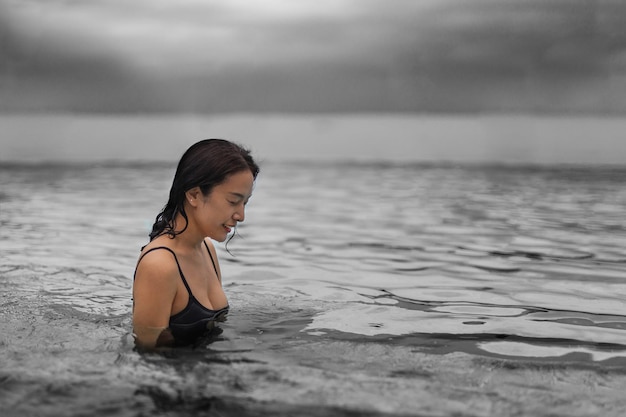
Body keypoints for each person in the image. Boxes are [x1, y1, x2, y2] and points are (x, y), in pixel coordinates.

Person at [132, 139, 259, 349]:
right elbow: (146, 356)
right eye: (233, 201)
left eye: (245, 203)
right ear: (194, 195)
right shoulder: (160, 265)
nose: (241, 215)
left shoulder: (206, 248)